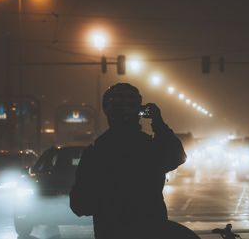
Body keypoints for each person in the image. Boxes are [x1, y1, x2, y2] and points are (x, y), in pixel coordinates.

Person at [70, 83, 188, 239]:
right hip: (151, 231)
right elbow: (178, 156)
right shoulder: (149, 149)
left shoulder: (96, 153)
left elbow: (79, 205)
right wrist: (158, 121)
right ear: (137, 112)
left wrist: (108, 203)